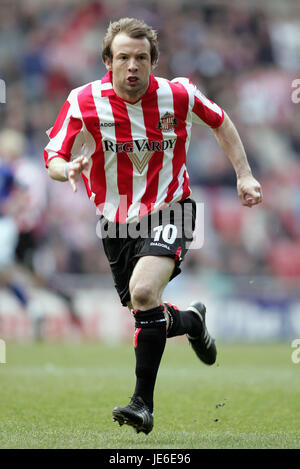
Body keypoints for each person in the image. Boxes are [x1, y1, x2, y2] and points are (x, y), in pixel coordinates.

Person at [44, 17, 262, 435]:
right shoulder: (83, 100)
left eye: (141, 58)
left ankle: (142, 404)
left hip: (171, 209)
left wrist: (244, 174)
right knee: (143, 309)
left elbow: (220, 121)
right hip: (115, 223)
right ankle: (193, 322)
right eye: (123, 57)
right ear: (108, 61)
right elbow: (53, 153)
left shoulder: (177, 95)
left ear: (153, 62)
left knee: (144, 292)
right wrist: (66, 168)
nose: (132, 66)